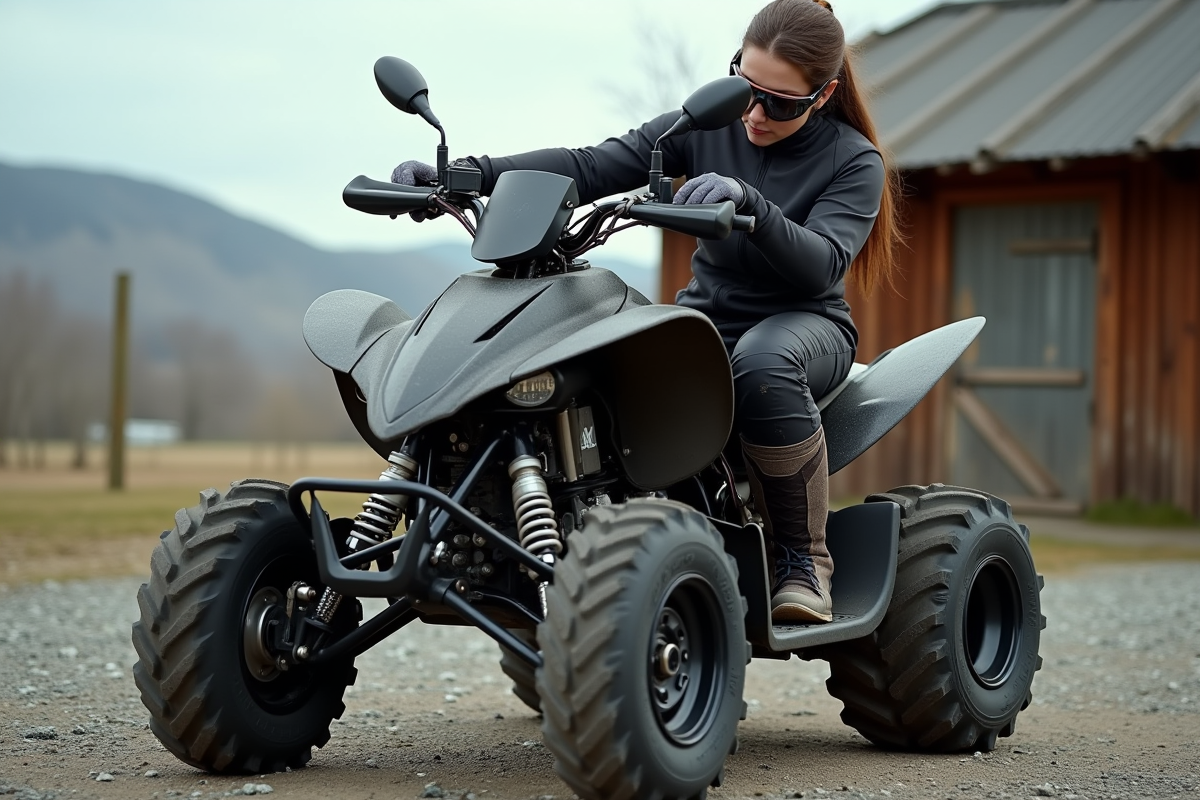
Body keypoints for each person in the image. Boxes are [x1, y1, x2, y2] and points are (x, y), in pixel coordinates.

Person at [392, 0, 898, 623]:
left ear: (823, 96)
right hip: (706, 316)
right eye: (745, 87)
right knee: (601, 356)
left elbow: (822, 263)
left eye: (782, 104)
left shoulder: (855, 161)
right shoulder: (709, 121)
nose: (755, 114)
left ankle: (802, 560)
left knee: (762, 362)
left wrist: (752, 205)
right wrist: (471, 174)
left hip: (804, 327)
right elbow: (591, 164)